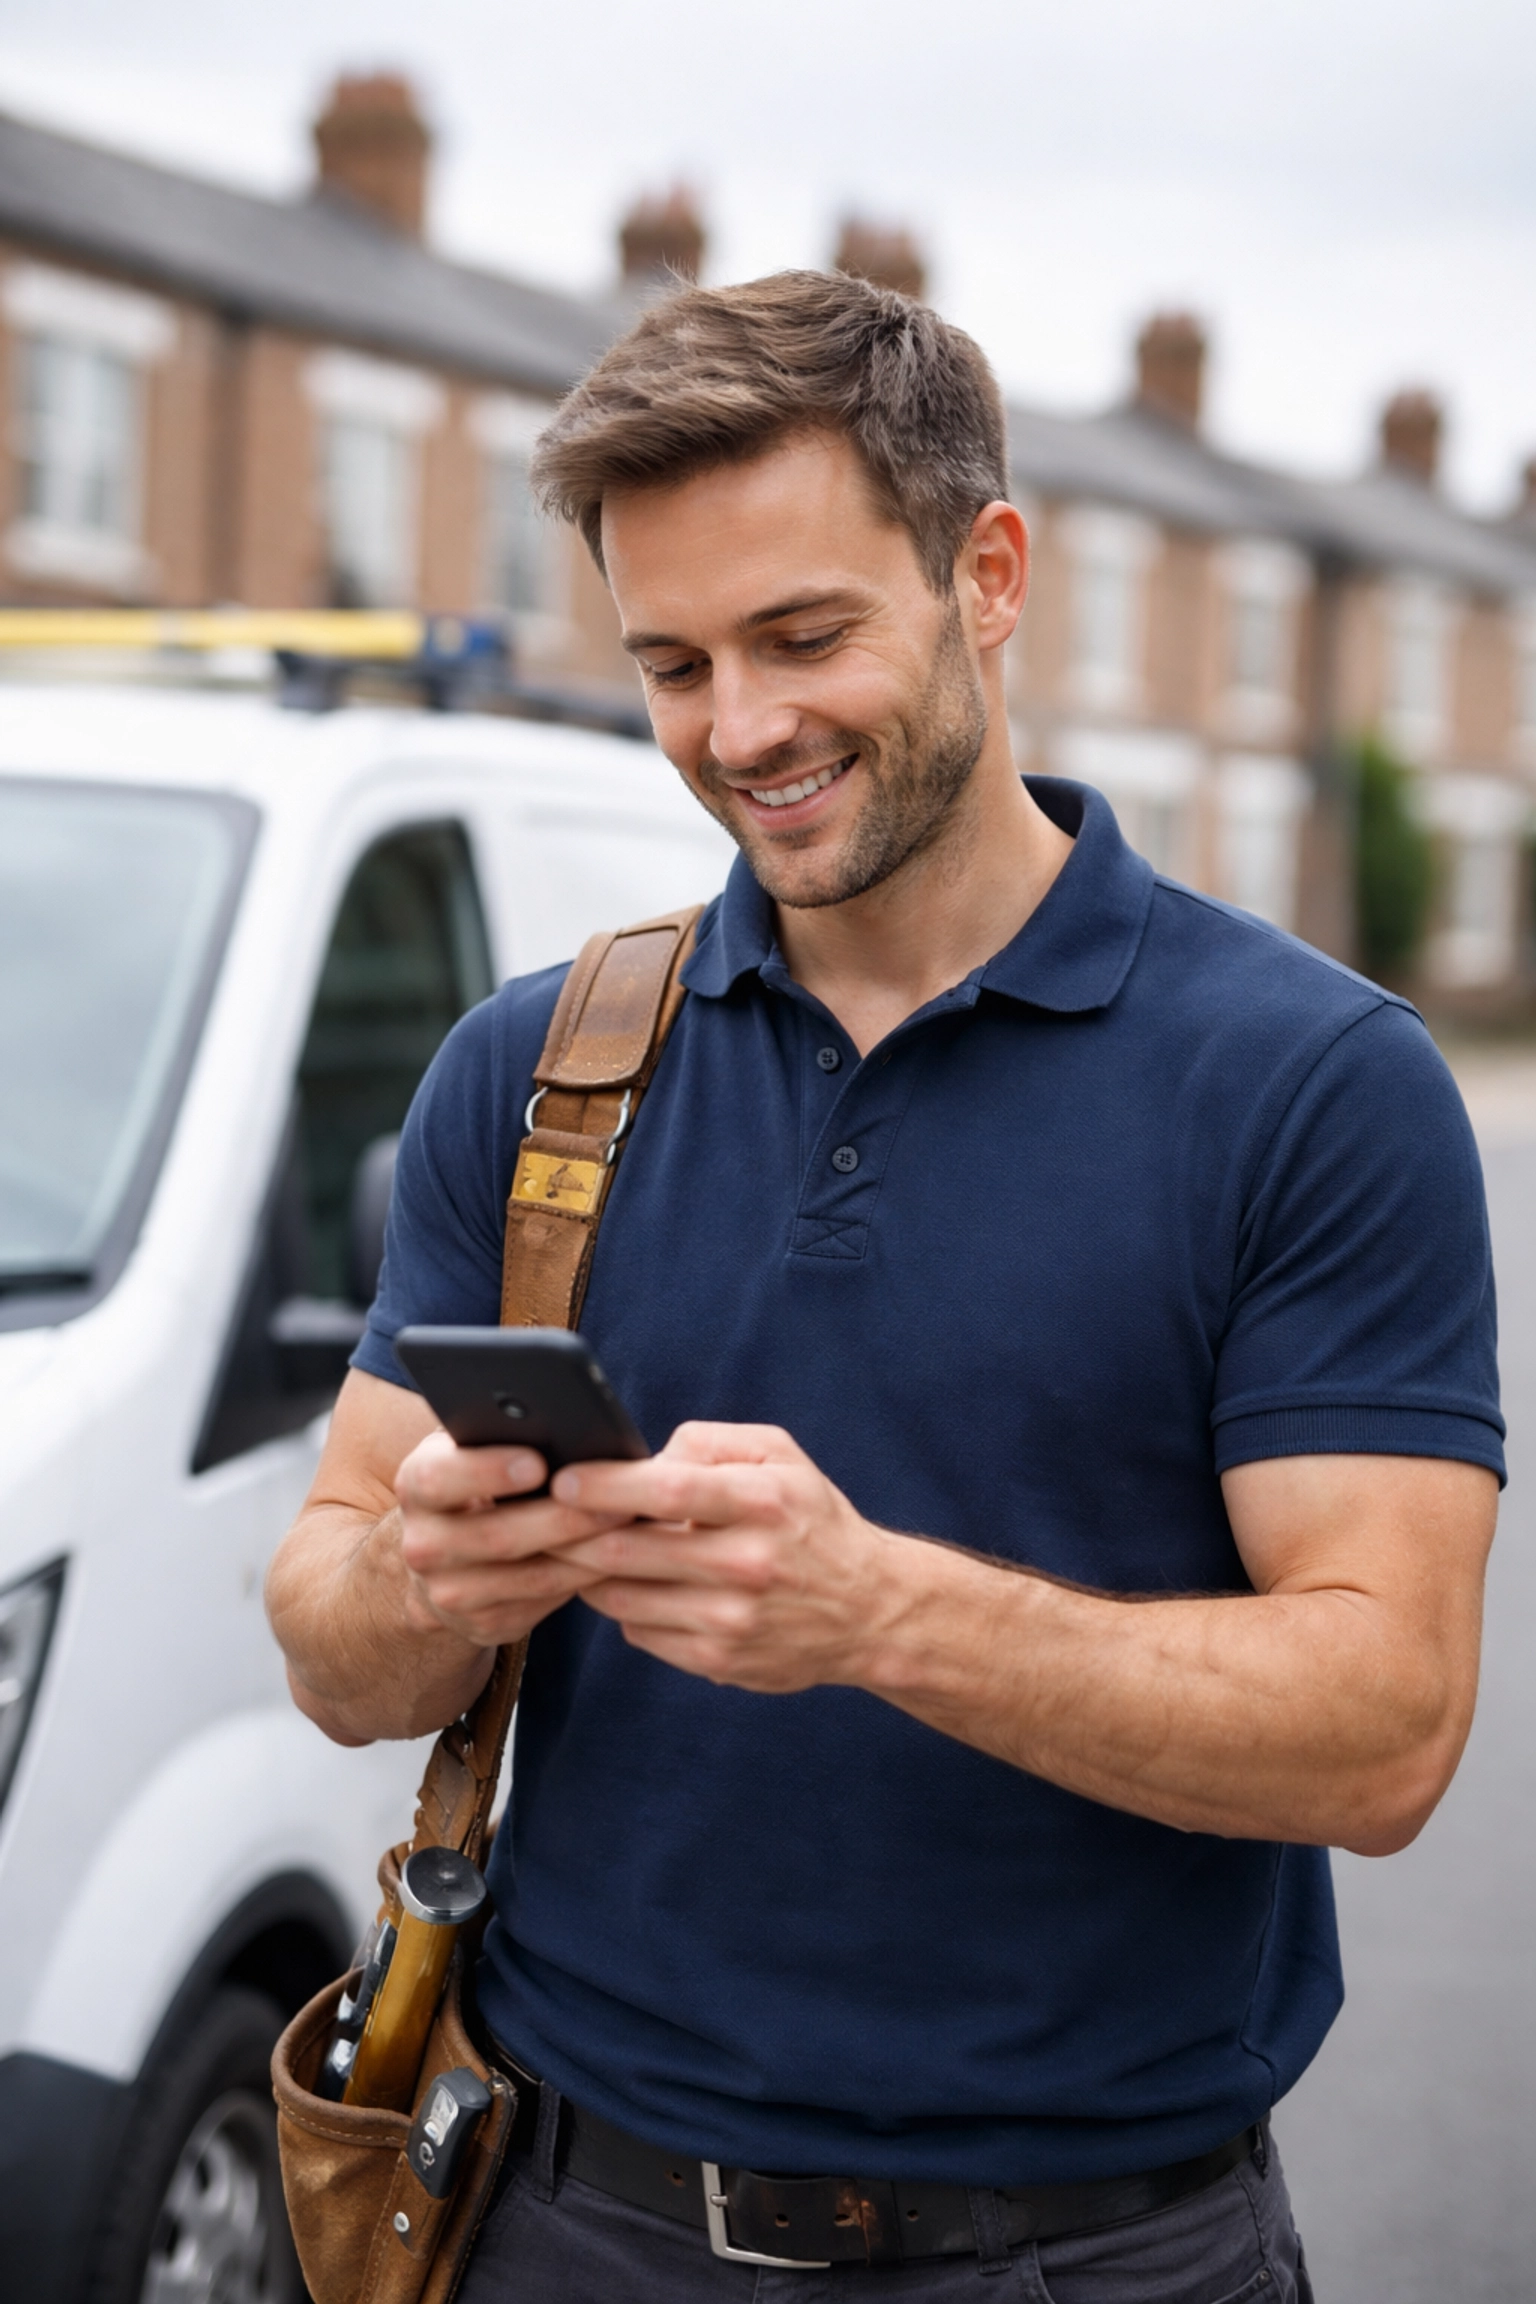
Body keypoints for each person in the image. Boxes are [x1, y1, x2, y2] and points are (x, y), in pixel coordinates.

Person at [266, 271, 1502, 2301]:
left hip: (1095, 2254)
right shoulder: (543, 1065)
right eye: (672, 662)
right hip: (563, 2223)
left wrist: (876, 1613)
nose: (740, 730)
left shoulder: (1310, 1084)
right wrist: (425, 1580)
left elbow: (1384, 1732)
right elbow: (330, 1644)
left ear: (987, 573)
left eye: (805, 635)